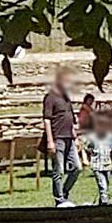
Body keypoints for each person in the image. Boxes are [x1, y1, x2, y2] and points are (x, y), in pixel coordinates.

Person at [42, 67, 81, 207]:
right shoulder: (50, 97)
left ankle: (64, 192)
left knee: (77, 168)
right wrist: (50, 141)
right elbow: (47, 120)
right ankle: (59, 199)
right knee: (58, 170)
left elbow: (71, 118)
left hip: (69, 137)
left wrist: (75, 137)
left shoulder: (66, 98)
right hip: (57, 137)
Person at [79, 105, 112, 206]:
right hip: (97, 165)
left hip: (107, 164)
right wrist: (85, 159)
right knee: (103, 185)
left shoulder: (110, 137)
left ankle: (102, 202)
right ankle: (106, 203)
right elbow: (84, 147)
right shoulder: (92, 137)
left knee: (106, 184)